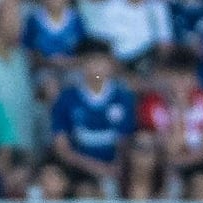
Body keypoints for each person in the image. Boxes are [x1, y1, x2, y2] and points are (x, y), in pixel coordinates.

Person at [49, 36, 137, 186]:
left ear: (110, 65)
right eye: (90, 61)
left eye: (101, 61)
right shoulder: (67, 99)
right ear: (81, 65)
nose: (96, 68)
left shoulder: (123, 98)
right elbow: (62, 148)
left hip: (116, 172)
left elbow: (126, 142)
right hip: (78, 173)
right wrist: (97, 169)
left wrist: (114, 170)